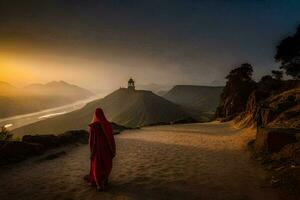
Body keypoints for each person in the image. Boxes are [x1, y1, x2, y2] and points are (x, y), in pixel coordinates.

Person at [86, 108, 116, 191]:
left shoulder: (94, 126)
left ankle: (99, 185)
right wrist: (112, 149)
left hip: (97, 150)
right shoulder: (108, 124)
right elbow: (111, 138)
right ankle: (105, 180)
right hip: (107, 149)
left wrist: (92, 152)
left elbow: (91, 140)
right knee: (106, 164)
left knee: (97, 166)